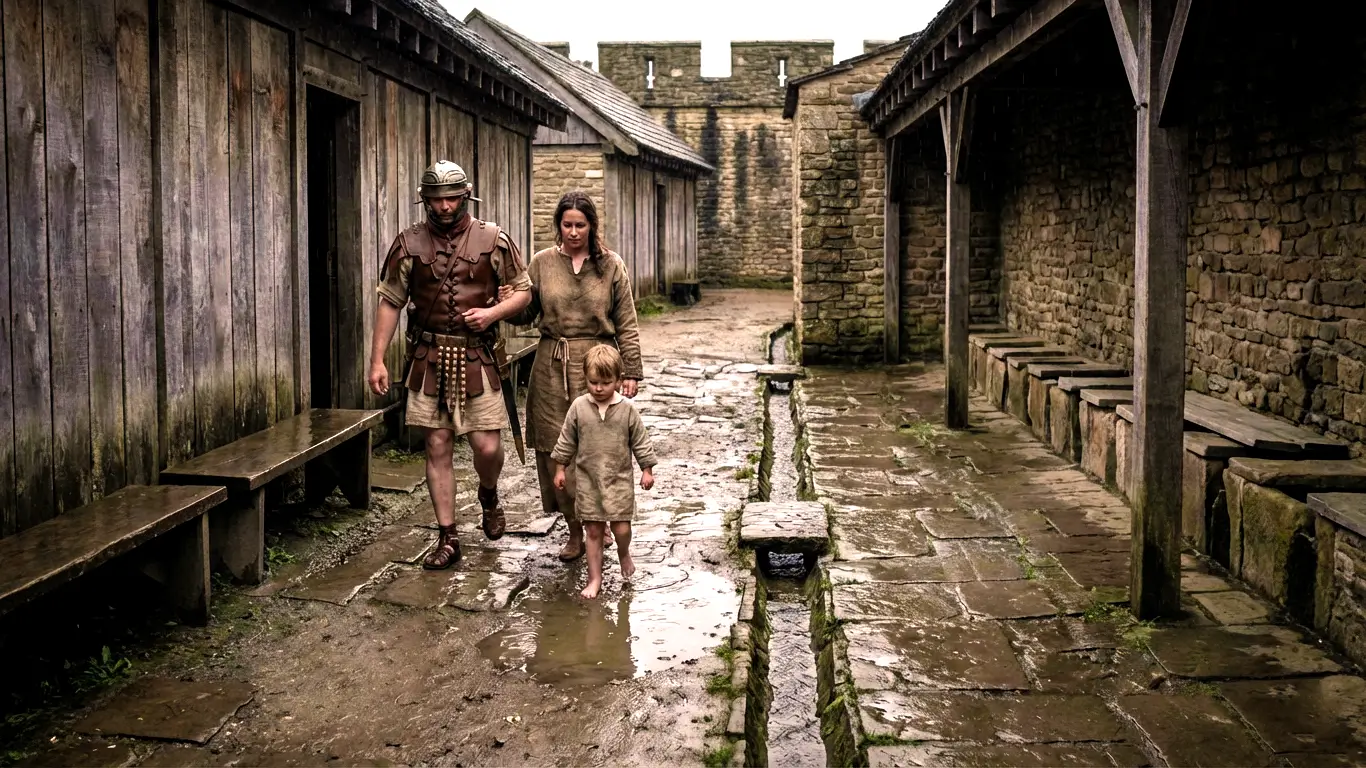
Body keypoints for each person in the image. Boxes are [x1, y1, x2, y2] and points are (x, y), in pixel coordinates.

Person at [367, 160, 532, 570]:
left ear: (466, 196)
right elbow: (390, 300)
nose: (444, 206)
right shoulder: (408, 243)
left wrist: (492, 315)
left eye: (452, 198)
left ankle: (488, 493)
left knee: (487, 447)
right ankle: (448, 536)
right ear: (425, 199)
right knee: (437, 444)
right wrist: (377, 360)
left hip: (479, 356)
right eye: (437, 199)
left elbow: (524, 292)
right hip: (429, 359)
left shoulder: (494, 239)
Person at [501, 190, 644, 563]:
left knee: (598, 449)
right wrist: (505, 302)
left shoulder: (610, 265)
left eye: (581, 225)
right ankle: (575, 531)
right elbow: (525, 313)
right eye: (567, 225)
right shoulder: (542, 263)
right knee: (555, 450)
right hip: (552, 366)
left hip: (599, 364)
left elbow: (627, 321)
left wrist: (630, 371)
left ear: (592, 226)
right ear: (559, 225)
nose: (574, 232)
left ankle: (599, 520)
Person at [549, 345, 657, 599]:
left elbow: (641, 441)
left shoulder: (627, 410)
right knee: (593, 531)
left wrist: (647, 470)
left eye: (606, 383)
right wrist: (560, 468)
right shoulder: (579, 407)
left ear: (618, 380)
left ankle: (623, 552)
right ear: (585, 378)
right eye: (593, 382)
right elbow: (566, 440)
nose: (598, 388)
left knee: (621, 529)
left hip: (619, 480)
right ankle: (594, 578)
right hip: (588, 481)